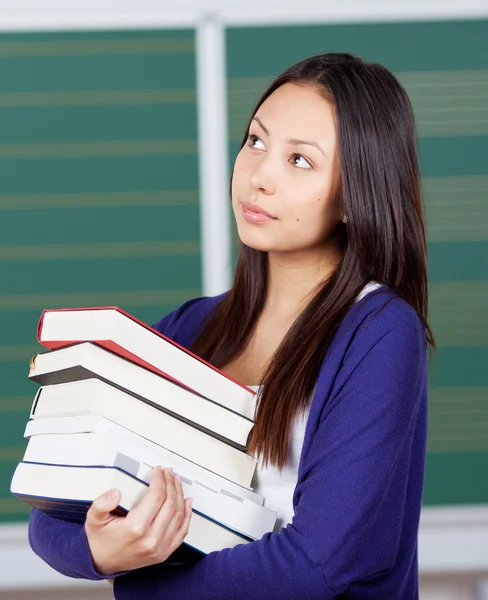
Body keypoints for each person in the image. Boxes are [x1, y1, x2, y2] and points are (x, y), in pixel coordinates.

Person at [28, 52, 435, 599]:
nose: (260, 175)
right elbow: (54, 505)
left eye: (300, 161)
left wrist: (140, 588)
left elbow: (319, 561)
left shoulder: (380, 332)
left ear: (353, 195)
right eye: (256, 141)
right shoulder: (191, 327)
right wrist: (100, 551)